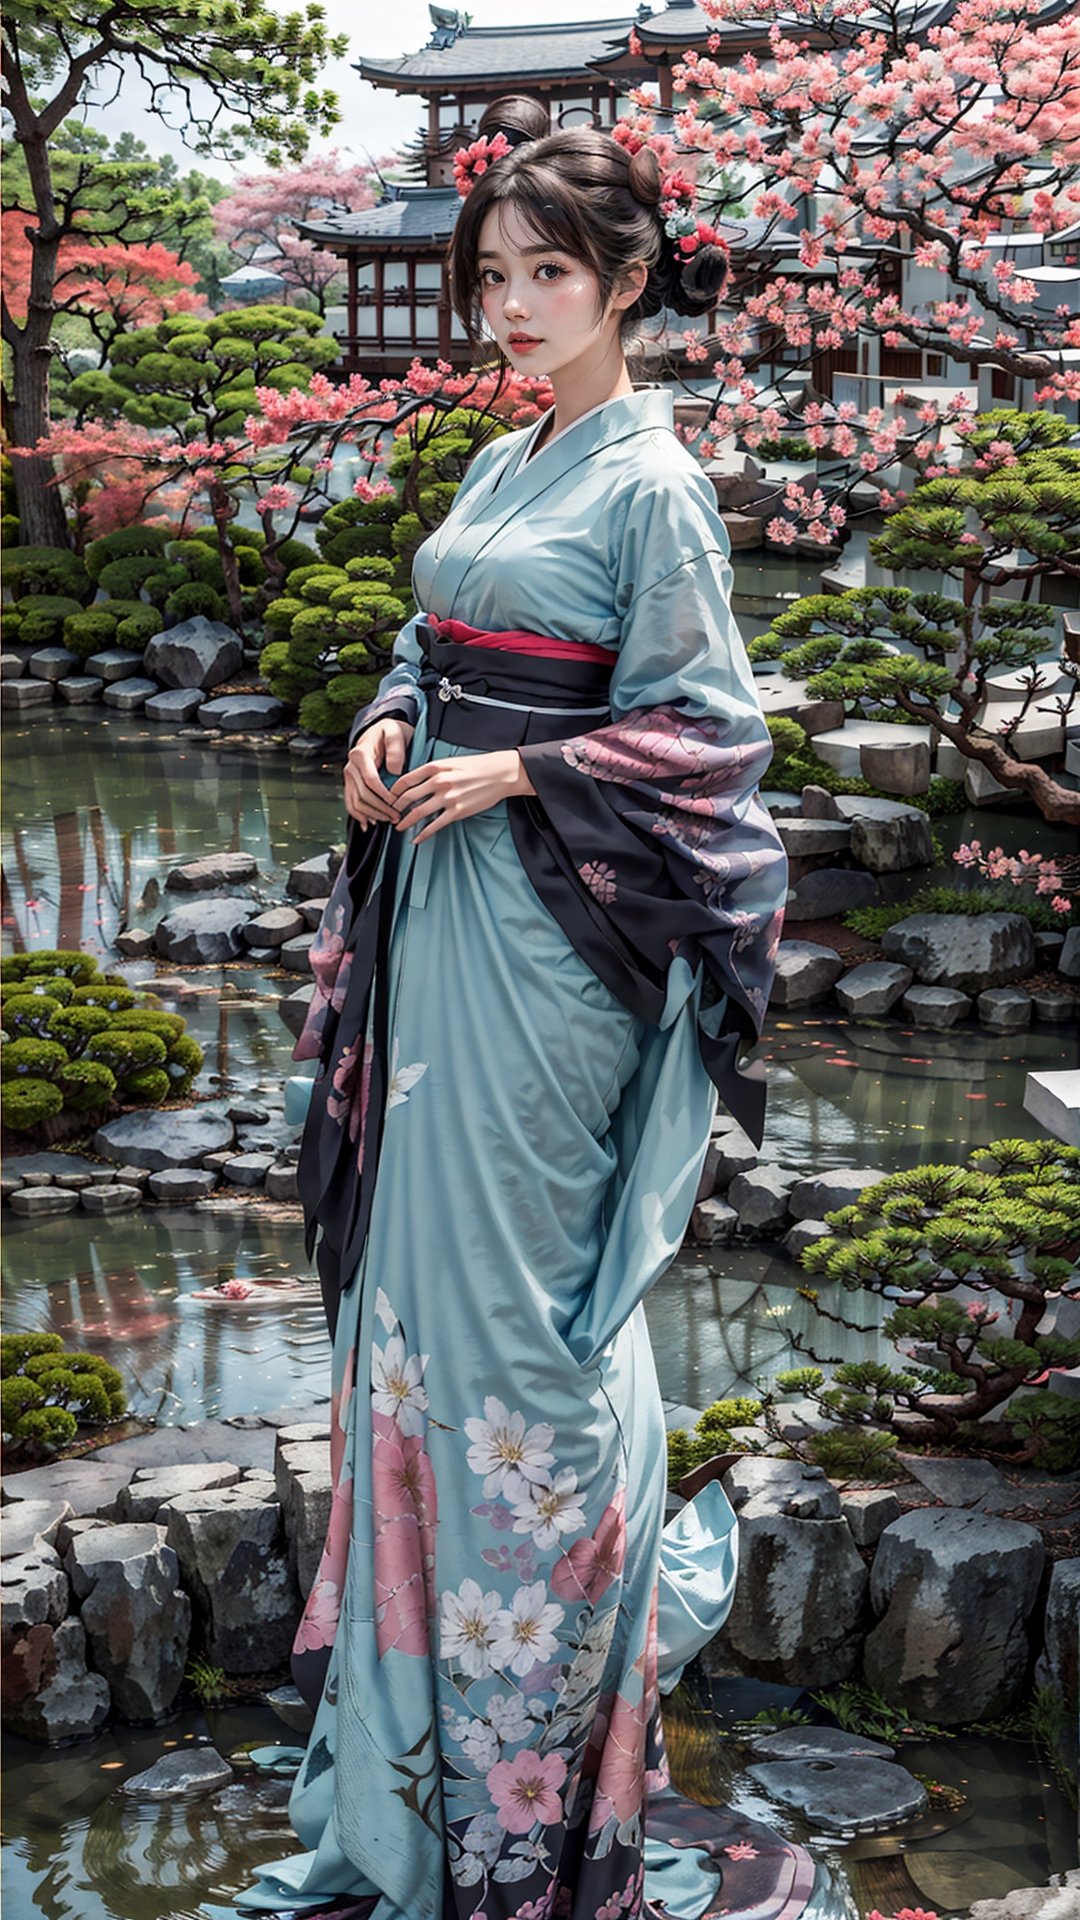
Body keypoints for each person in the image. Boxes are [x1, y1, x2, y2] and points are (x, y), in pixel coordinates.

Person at [229, 123, 790, 1920]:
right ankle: (406, 1800)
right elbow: (433, 643)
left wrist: (524, 769)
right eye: (495, 276)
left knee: (534, 1343)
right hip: (440, 933)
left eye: (552, 273)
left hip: (558, 957)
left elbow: (709, 740)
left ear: (627, 284)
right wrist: (392, 730)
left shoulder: (652, 486)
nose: (516, 309)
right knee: (418, 1331)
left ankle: (549, 1776)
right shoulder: (504, 456)